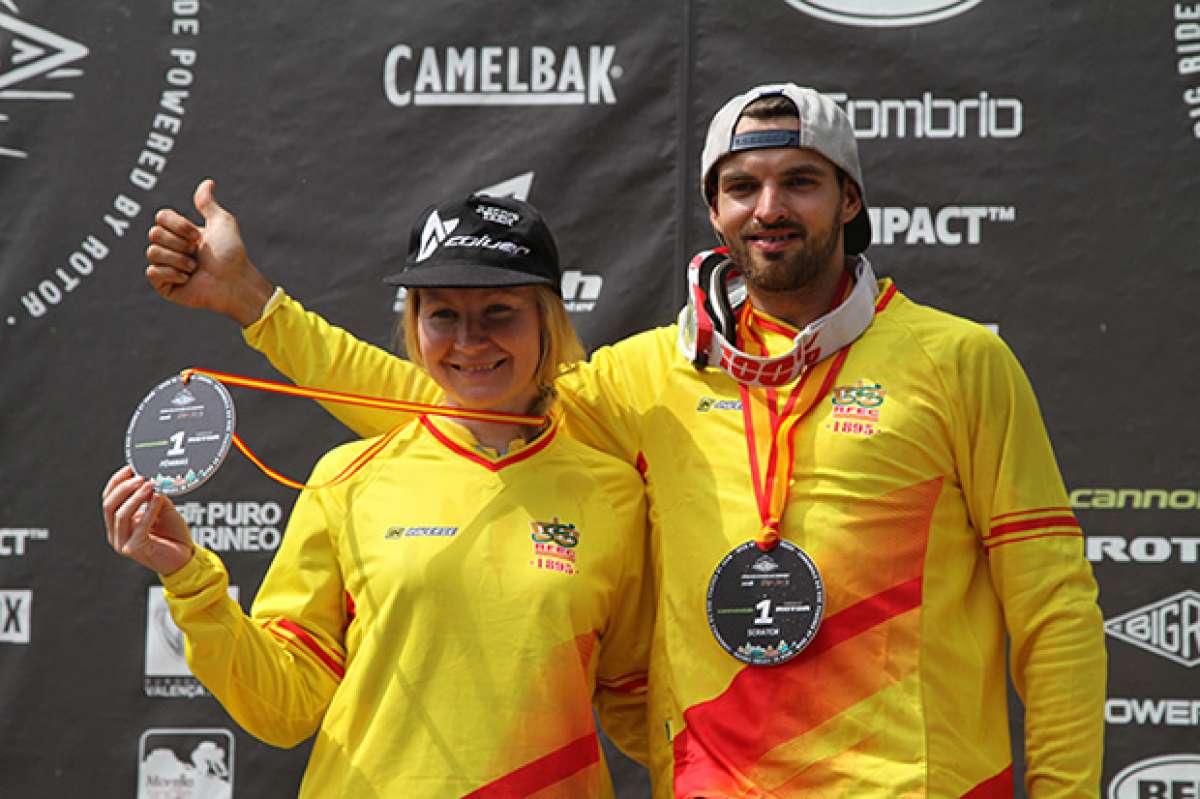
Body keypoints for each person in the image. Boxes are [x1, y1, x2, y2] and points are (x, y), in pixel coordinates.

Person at [145, 84, 1106, 798]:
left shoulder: (960, 361)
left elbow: (1055, 610)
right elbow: (451, 397)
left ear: (849, 199)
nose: (769, 206)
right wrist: (253, 305)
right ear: (714, 210)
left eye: (799, 181)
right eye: (742, 185)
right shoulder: (647, 376)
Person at [108, 194, 653, 797]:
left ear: (548, 320)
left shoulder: (614, 493)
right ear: (415, 324)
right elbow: (284, 708)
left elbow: (638, 700)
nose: (470, 340)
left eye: (500, 311)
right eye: (442, 315)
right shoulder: (349, 476)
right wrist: (188, 578)